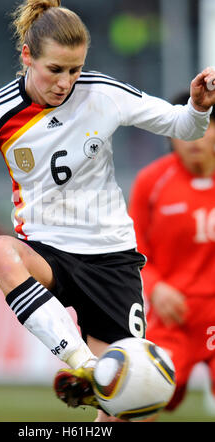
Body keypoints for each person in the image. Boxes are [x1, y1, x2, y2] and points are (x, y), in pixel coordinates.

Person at [0, 0, 215, 422]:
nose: (66, 82)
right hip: (48, 252)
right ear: (27, 57)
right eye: (55, 69)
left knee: (128, 413)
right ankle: (86, 367)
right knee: (0, 251)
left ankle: (105, 387)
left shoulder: (103, 93)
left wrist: (199, 108)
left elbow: (181, 126)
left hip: (111, 260)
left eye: (74, 69)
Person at [128, 92, 215, 418]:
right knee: (141, 401)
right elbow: (133, 250)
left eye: (204, 127)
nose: (194, 138)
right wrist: (156, 287)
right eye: (185, 130)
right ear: (171, 136)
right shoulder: (152, 182)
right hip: (173, 317)